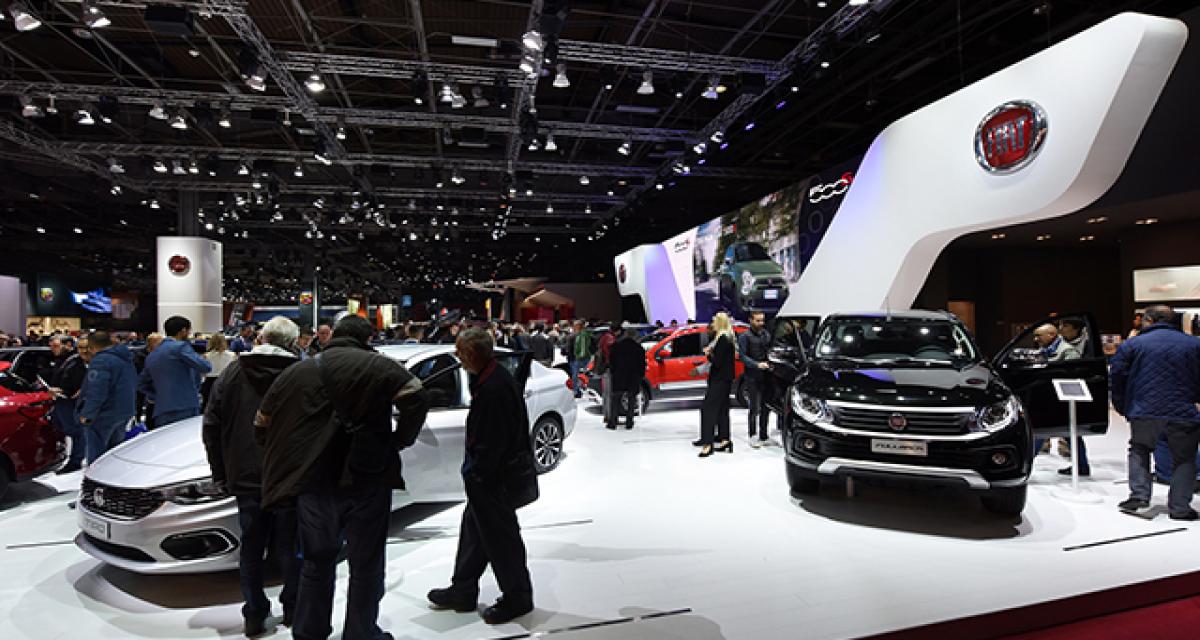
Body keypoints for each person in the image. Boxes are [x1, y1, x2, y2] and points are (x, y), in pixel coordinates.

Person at [255, 315, 429, 640]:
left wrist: (295, 454)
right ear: (367, 339)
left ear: (333, 335)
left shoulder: (298, 371)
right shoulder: (379, 366)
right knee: (366, 563)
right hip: (366, 479)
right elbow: (417, 397)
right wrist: (398, 440)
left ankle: (309, 632)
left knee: (316, 560)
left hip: (314, 482)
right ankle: (361, 633)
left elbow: (262, 423)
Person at [427, 328, 536, 624]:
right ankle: (463, 589)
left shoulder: (494, 387)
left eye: (461, 352)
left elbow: (493, 440)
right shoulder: (491, 378)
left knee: (501, 539)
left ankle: (518, 597)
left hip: (493, 480)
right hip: (487, 479)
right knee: (474, 533)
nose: (458, 358)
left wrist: (476, 472)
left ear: (473, 353)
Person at [203, 317, 302, 636]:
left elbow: (211, 426)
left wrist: (221, 473)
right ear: (292, 343)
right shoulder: (300, 373)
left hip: (245, 474)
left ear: (261, 338)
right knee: (289, 545)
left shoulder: (232, 372)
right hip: (288, 474)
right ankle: (294, 607)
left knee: (251, 547)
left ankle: (255, 613)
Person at [1111, 305, 1200, 519]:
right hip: (1184, 410)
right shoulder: (1194, 344)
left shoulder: (1132, 344)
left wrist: (1123, 406)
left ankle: (1139, 498)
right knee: (1184, 458)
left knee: (1140, 449)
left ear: (1149, 320)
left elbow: (1117, 377)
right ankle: (1180, 508)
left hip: (1144, 409)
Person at [76, 331, 137, 463]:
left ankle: (96, 477)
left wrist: (87, 414)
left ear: (92, 346)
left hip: (104, 414)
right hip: (124, 411)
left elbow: (97, 391)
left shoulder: (101, 361)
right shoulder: (126, 358)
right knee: (115, 454)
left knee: (97, 458)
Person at [140, 316, 212, 428]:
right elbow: (205, 367)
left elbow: (142, 383)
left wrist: (160, 395)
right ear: (183, 331)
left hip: (161, 409)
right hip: (185, 406)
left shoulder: (153, 354)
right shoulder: (180, 347)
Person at [697, 313, 736, 457]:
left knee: (707, 409)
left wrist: (708, 354)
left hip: (719, 380)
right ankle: (725, 440)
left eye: (714, 322)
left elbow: (717, 362)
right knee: (722, 410)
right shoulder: (728, 338)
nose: (712, 324)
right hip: (726, 380)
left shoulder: (723, 339)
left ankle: (708, 444)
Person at [51, 337, 89, 474]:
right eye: (80, 348)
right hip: (63, 399)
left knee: (78, 433)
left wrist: (84, 390)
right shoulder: (71, 361)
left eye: (85, 348)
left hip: (78, 403)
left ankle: (75, 461)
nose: (82, 351)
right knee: (63, 427)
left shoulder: (96, 363)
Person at [739, 311, 773, 448]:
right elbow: (742, 356)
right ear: (750, 320)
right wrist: (757, 364)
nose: (761, 323)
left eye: (762, 320)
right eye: (758, 321)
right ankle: (752, 435)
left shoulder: (766, 335)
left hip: (766, 376)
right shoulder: (744, 336)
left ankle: (764, 435)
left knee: (766, 407)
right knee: (754, 407)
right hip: (752, 376)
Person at [607, 328, 646, 430]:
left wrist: (613, 372)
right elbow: (642, 365)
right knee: (631, 400)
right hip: (633, 377)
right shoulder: (639, 348)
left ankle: (613, 422)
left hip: (619, 376)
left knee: (616, 399)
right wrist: (640, 376)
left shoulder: (616, 346)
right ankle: (629, 422)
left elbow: (611, 362)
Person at [202, 333, 236, 407]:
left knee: (208, 406)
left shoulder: (206, 356)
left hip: (210, 383)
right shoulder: (232, 355)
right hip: (226, 382)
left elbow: (203, 373)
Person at [567, 320, 593, 399]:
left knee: (575, 375)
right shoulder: (585, 335)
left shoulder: (573, 336)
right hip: (583, 358)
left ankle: (576, 391)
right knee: (581, 374)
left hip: (575, 358)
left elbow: (569, 348)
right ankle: (581, 388)